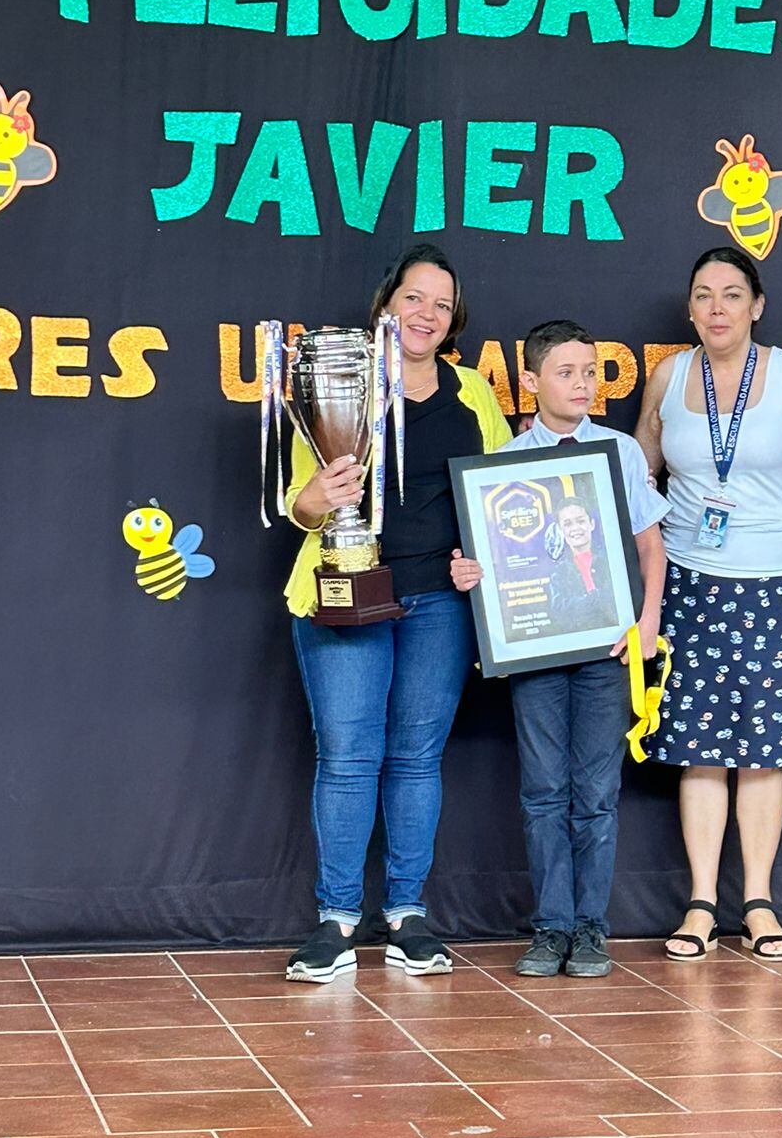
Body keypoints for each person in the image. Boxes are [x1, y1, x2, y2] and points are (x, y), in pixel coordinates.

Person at [283, 244, 511, 984]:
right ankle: (337, 921)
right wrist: (321, 496)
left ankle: (407, 913)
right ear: (386, 306)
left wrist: (480, 556)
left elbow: (499, 497)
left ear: (454, 323)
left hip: (438, 604)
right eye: (415, 298)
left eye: (442, 305)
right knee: (348, 757)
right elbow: (298, 503)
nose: (427, 314)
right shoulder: (334, 383)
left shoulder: (472, 392)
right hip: (344, 593)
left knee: (416, 759)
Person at [634, 247, 782, 961]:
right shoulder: (668, 377)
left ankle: (757, 901)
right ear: (689, 307)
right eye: (703, 295)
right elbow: (639, 479)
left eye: (732, 294)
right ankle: (700, 906)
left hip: (776, 581)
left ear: (757, 305)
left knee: (763, 750)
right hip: (690, 582)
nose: (717, 308)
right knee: (697, 750)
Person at [450, 320, 668, 978]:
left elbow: (649, 547)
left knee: (596, 792)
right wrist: (473, 576)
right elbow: (496, 560)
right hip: (537, 653)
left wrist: (648, 621)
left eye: (590, 371)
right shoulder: (507, 461)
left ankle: (591, 930)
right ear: (531, 382)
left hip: (607, 648)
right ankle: (550, 928)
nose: (581, 384)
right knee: (544, 791)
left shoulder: (620, 452)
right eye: (566, 372)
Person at [547, 497, 618, 631]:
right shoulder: (559, 572)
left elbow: (618, 598)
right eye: (567, 524)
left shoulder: (611, 559)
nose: (575, 528)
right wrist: (597, 598)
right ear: (560, 530)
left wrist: (585, 602)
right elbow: (561, 611)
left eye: (580, 521)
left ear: (591, 524)